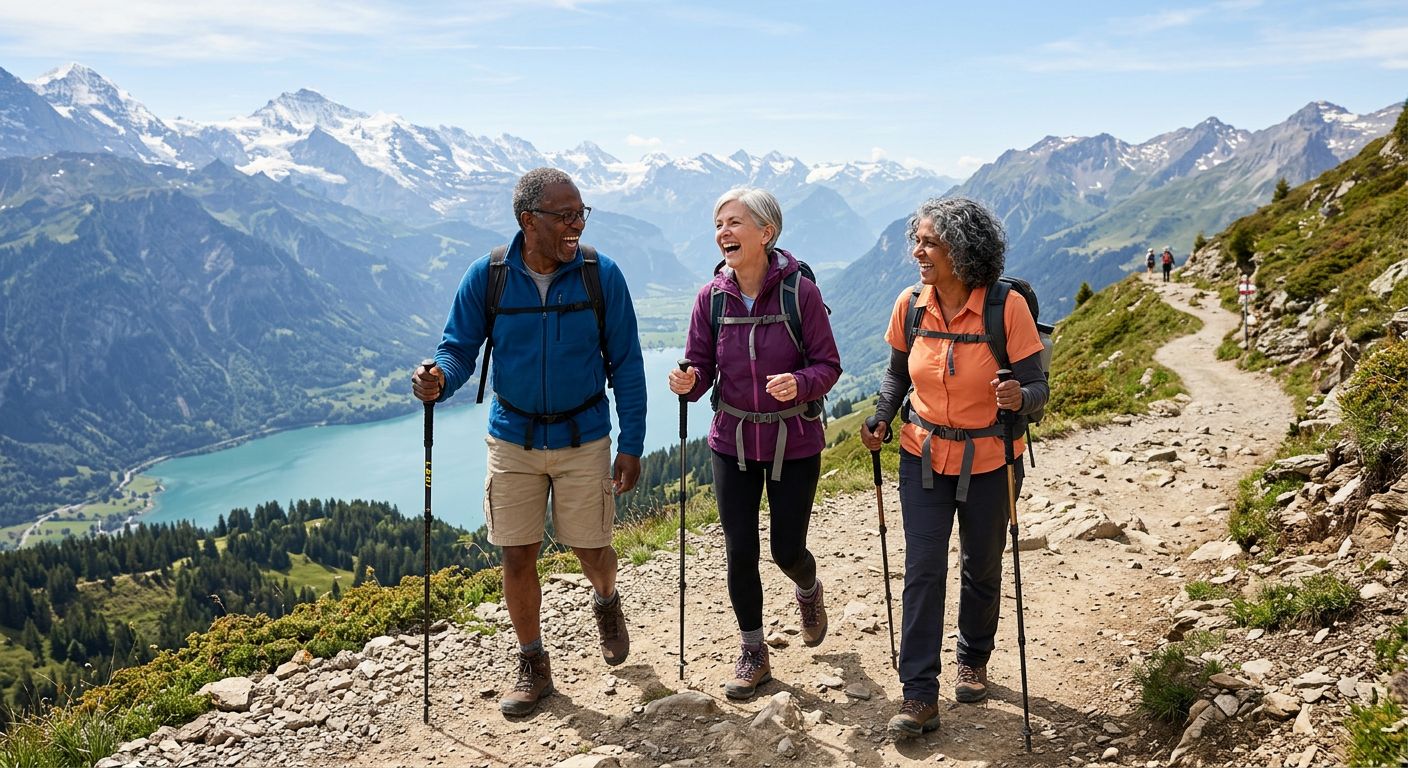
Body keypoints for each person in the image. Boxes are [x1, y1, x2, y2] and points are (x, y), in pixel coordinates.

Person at [412, 167, 647, 717]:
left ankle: (606, 599)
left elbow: (628, 365)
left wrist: (631, 443)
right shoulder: (488, 276)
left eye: (581, 213)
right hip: (512, 437)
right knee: (517, 553)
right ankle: (532, 662)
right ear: (528, 220)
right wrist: (439, 379)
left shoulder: (599, 275)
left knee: (591, 549)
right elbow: (458, 349)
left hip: (583, 436)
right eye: (564, 216)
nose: (576, 225)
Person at [859, 196, 1049, 739]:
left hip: (992, 460)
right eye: (916, 240)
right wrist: (879, 418)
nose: (917, 251)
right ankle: (919, 695)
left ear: (961, 249)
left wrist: (1019, 395)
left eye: (929, 242)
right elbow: (898, 376)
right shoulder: (911, 304)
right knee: (923, 570)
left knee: (982, 565)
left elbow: (1039, 389)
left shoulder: (1004, 308)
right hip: (922, 455)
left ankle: (973, 656)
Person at [667, 187, 842, 700]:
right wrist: (688, 382)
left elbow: (828, 365)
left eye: (735, 222)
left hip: (795, 440)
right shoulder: (711, 297)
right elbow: (700, 369)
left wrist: (801, 384)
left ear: (766, 232)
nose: (723, 232)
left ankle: (808, 590)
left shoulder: (799, 293)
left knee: (787, 549)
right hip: (733, 441)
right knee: (739, 551)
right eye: (718, 223)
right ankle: (754, 652)